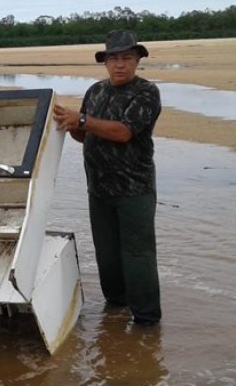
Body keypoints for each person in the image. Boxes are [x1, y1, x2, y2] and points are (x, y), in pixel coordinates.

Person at [52, 30, 162, 325]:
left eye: (127, 57)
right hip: (98, 189)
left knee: (138, 256)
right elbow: (84, 135)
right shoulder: (95, 91)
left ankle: (147, 321)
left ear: (137, 60)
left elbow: (124, 132)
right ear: (105, 62)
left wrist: (83, 120)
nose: (120, 64)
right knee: (107, 256)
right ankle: (115, 310)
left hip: (134, 190)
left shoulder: (146, 92)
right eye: (113, 58)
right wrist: (69, 124)